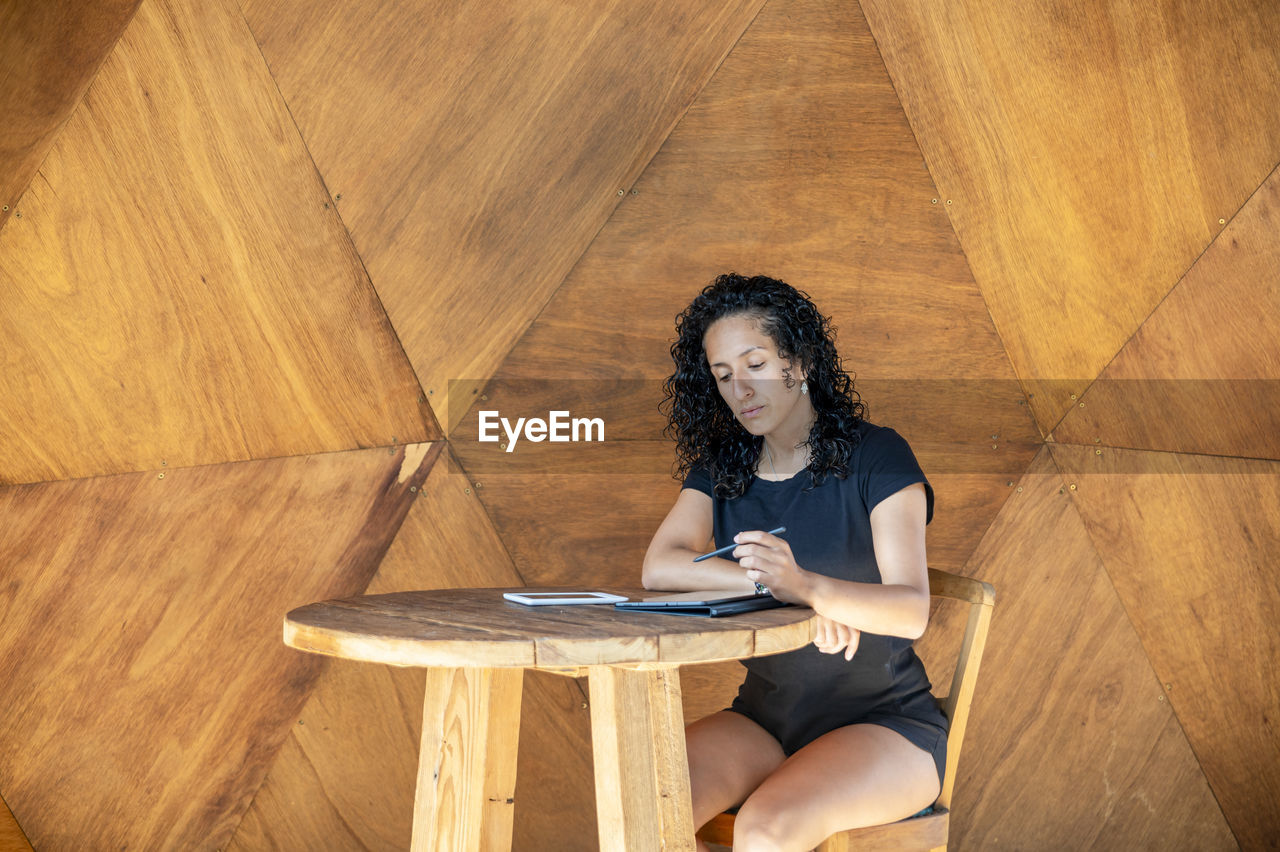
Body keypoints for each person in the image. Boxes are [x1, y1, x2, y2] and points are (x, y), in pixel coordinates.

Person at [643, 273, 946, 852]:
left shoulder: (878, 455)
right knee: (644, 800)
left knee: (766, 831)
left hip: (886, 725)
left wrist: (806, 584)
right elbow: (660, 566)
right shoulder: (723, 467)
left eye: (755, 364)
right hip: (766, 722)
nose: (740, 389)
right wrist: (781, 590)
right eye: (723, 375)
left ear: (800, 363)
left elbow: (910, 611)